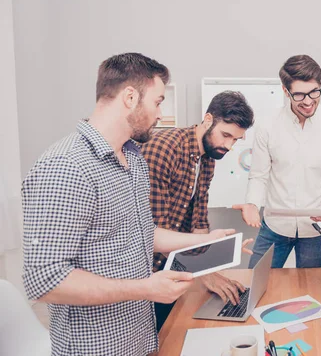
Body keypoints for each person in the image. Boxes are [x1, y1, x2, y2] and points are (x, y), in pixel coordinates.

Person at [21, 53, 242, 355]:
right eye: (157, 101)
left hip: (139, 337)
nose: (161, 114)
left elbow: (143, 233)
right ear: (129, 97)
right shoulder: (66, 166)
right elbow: (44, 281)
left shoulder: (133, 159)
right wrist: (145, 288)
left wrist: (205, 240)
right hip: (96, 347)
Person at [141, 90, 255, 332]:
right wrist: (204, 273)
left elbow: (199, 223)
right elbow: (153, 234)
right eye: (226, 135)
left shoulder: (208, 158)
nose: (228, 146)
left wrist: (211, 267)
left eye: (236, 140)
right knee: (158, 341)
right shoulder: (164, 149)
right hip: (147, 275)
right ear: (207, 119)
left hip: (173, 266)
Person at [233, 55, 321, 268]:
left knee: (313, 289)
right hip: (274, 225)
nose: (308, 101)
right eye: (299, 95)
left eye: (314, 92)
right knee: (254, 285)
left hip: (315, 229)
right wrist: (252, 203)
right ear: (285, 90)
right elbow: (259, 176)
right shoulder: (268, 126)